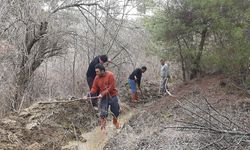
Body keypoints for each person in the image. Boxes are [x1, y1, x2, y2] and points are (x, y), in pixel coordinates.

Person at [88, 64, 121, 133]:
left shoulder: (110, 75)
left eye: (97, 71)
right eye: (96, 71)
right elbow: (94, 88)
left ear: (102, 71)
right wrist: (89, 94)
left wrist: (102, 94)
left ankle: (115, 122)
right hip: (103, 98)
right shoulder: (97, 77)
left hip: (112, 96)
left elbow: (111, 87)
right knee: (103, 113)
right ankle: (103, 128)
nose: (96, 73)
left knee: (116, 111)